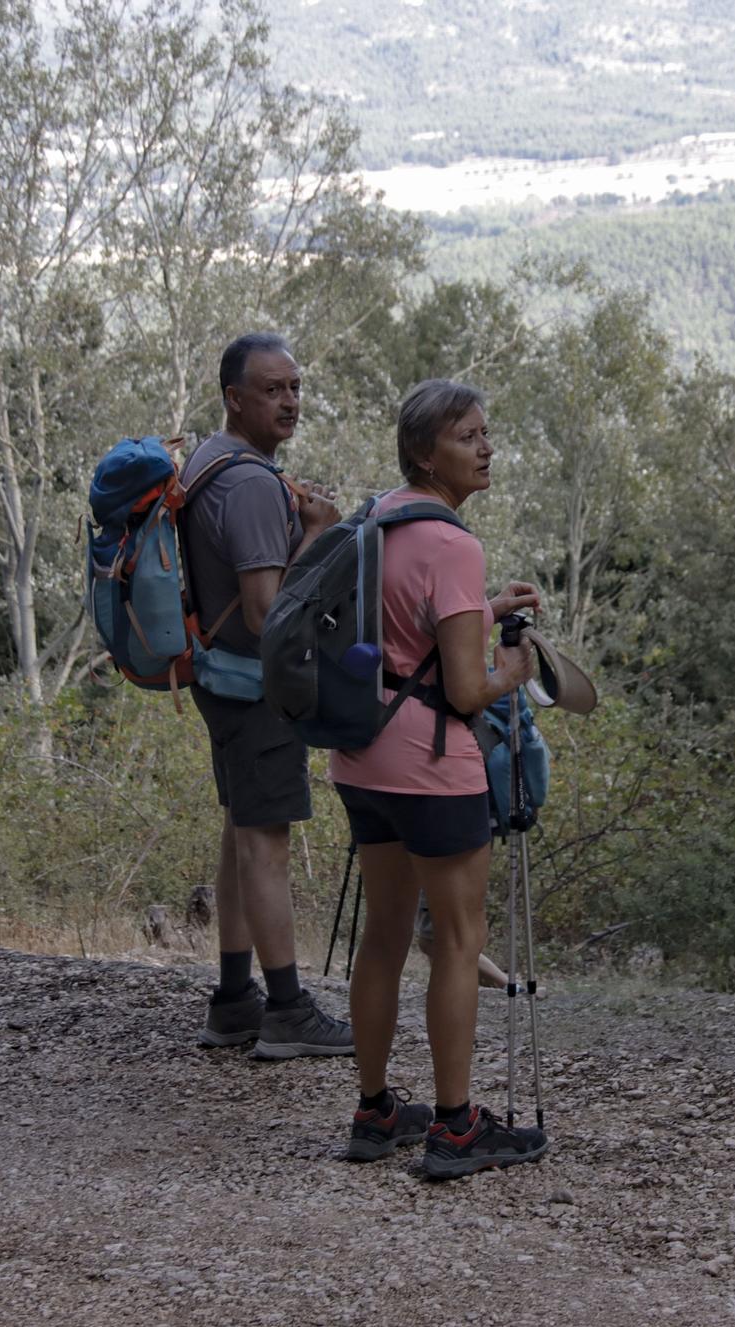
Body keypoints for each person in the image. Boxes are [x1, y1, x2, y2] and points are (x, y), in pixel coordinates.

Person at [330, 378, 547, 1178]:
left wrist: (481, 608)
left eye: (486, 433)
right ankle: (456, 1126)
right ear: (426, 451)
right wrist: (513, 667)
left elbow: (401, 627)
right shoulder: (455, 542)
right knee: (459, 940)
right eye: (467, 436)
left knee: (383, 935)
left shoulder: (376, 521)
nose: (485, 448)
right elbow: (462, 689)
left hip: (361, 758)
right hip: (433, 766)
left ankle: (375, 1107)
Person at [187, 332, 352, 1059]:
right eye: (272, 389)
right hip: (255, 687)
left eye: (295, 387)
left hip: (220, 678)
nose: (289, 402)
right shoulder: (251, 484)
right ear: (234, 397)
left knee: (241, 832)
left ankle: (233, 999)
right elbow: (266, 613)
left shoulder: (208, 460)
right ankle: (285, 1008)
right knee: (266, 845)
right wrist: (317, 535)